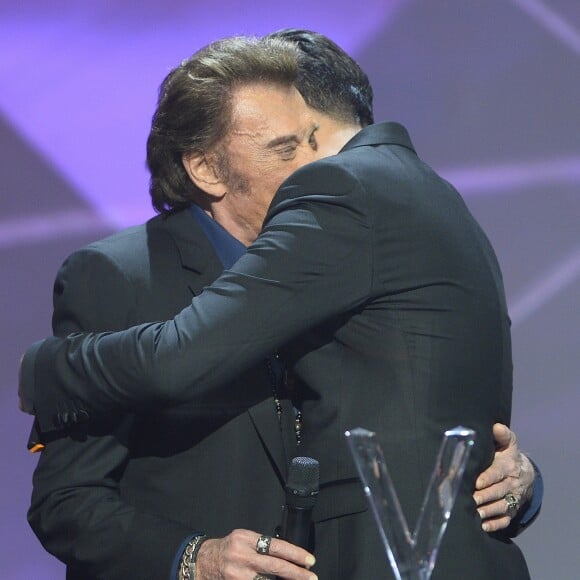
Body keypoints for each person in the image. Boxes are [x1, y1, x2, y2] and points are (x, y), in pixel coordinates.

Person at [20, 34, 539, 580]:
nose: (316, 163)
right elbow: (66, 501)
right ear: (206, 170)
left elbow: (410, 420)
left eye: (312, 142)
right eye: (285, 149)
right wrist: (195, 557)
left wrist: (515, 480)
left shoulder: (349, 246)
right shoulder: (118, 276)